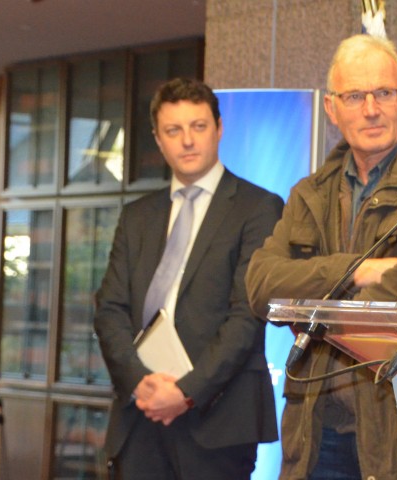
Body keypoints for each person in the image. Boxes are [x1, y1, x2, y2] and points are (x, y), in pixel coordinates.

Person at [245, 35, 397, 480]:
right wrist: (356, 270)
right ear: (332, 108)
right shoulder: (309, 193)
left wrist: (310, 306)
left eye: (383, 93)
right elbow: (261, 286)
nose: (371, 109)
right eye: (355, 96)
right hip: (319, 433)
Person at [94, 78, 283, 479]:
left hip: (218, 420)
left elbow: (246, 316)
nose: (187, 141)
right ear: (158, 139)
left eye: (198, 126)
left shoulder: (258, 208)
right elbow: (109, 310)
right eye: (173, 130)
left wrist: (185, 391)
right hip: (141, 415)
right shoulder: (136, 217)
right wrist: (140, 382)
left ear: (219, 128)